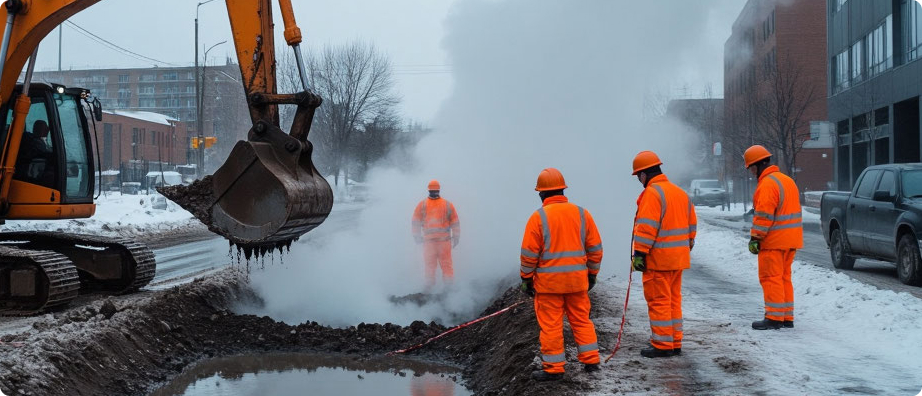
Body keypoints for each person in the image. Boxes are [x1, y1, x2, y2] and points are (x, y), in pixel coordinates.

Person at [519, 168, 603, 381]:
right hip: (577, 282)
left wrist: (526, 279)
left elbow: (529, 255)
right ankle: (591, 360)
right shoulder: (582, 214)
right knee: (582, 321)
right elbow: (595, 249)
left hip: (549, 286)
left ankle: (554, 368)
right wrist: (592, 274)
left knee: (551, 326)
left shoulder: (538, 218)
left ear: (541, 193)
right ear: (562, 190)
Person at [630, 151, 696, 358]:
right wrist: (686, 246)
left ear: (644, 174)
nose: (639, 180)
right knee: (673, 300)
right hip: (678, 259)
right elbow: (692, 225)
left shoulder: (652, 193)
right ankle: (674, 341)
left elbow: (647, 227)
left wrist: (639, 253)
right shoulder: (679, 192)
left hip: (658, 261)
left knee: (659, 301)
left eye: (638, 176)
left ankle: (662, 343)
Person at [743, 145, 802, 330]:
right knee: (784, 278)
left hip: (774, 242)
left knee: (771, 278)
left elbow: (764, 216)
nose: (752, 172)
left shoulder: (767, 184)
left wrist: (755, 238)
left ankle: (774, 318)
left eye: (752, 168)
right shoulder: (787, 180)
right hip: (791, 240)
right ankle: (786, 317)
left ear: (759, 165)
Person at [411, 180, 460, 289]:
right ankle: (448, 288)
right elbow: (455, 222)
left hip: (430, 243)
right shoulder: (447, 204)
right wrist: (456, 236)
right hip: (443, 242)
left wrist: (416, 236)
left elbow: (415, 222)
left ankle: (429, 288)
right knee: (445, 265)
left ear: (429, 189)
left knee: (430, 265)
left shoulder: (422, 205)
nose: (434, 193)